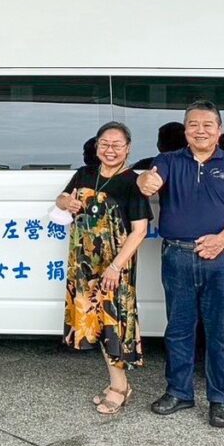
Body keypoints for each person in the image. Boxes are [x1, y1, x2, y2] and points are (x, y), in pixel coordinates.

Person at [137, 100, 224, 428]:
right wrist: (145, 182)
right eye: (193, 124)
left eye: (207, 125)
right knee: (178, 329)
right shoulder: (168, 160)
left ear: (219, 130)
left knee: (220, 331)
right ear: (185, 130)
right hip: (178, 256)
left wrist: (222, 239)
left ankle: (220, 400)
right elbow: (150, 180)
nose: (200, 130)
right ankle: (179, 392)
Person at [55, 122, 151, 414]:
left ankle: (120, 387)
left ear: (128, 148)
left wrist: (115, 267)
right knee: (95, 323)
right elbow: (61, 199)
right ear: (96, 146)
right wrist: (67, 202)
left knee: (114, 324)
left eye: (117, 145)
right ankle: (116, 383)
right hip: (84, 265)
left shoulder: (133, 182)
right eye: (105, 144)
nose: (110, 150)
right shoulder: (85, 174)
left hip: (114, 267)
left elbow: (140, 231)